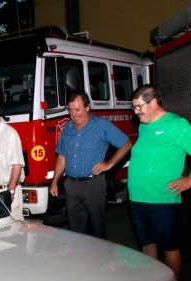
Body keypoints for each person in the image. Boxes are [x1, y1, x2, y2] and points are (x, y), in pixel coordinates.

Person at [129, 84, 191, 281]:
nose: (136, 112)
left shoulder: (176, 125)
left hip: (163, 201)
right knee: (147, 244)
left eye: (139, 107)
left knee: (170, 247)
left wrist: (190, 180)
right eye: (134, 108)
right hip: (138, 199)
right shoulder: (144, 125)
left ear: (154, 102)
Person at [49, 90, 132, 239]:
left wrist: (109, 164)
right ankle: (80, 258)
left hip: (93, 183)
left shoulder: (101, 125)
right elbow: (62, 155)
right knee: (74, 229)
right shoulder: (68, 128)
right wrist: (55, 182)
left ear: (87, 107)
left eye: (78, 109)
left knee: (96, 226)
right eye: (71, 110)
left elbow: (126, 143)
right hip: (71, 185)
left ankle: (99, 259)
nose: (74, 114)